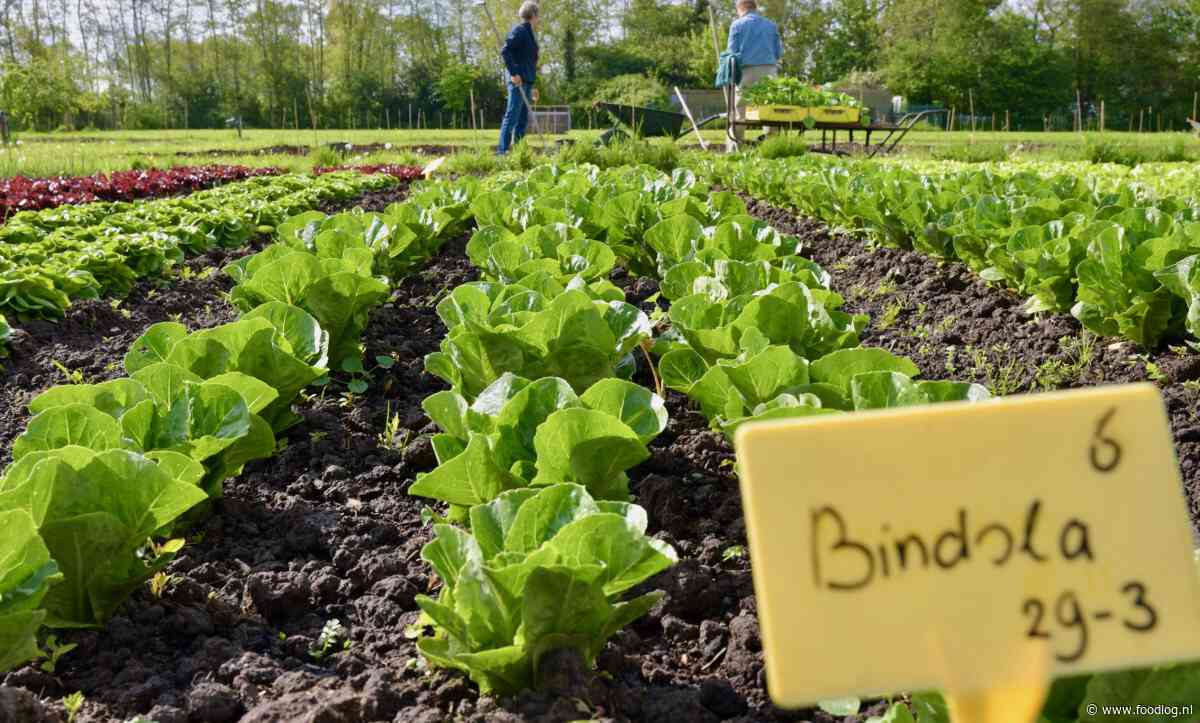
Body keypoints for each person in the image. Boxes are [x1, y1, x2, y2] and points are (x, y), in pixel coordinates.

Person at [727, 0, 782, 149]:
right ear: (755, 8)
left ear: (740, 8)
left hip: (746, 71)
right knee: (770, 110)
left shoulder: (737, 25)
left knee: (740, 110)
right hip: (769, 71)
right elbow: (778, 53)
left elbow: (732, 53)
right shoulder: (771, 25)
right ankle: (771, 146)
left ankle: (736, 148)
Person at [498, 1, 541, 155]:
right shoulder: (520, 30)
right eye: (538, 15)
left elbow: (529, 61)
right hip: (518, 82)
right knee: (512, 116)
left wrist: (532, 83)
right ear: (533, 15)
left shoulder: (530, 33)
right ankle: (502, 152)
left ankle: (519, 152)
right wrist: (514, 73)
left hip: (527, 81)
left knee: (522, 119)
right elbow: (505, 51)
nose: (539, 19)